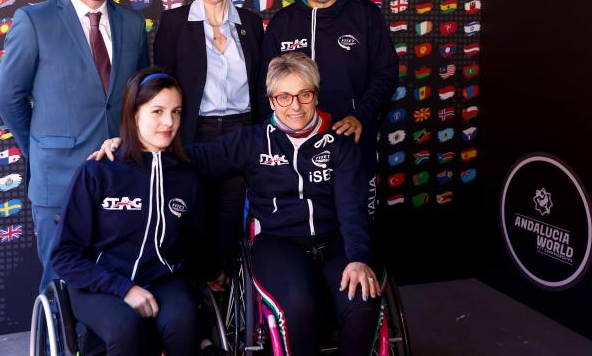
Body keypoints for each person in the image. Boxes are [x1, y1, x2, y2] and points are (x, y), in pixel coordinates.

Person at [93, 53, 381, 355]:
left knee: (361, 304)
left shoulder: (340, 144)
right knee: (299, 307)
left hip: (336, 241)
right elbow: (190, 160)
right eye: (283, 97)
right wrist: (130, 147)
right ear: (270, 101)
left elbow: (353, 210)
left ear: (316, 96)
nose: (294, 106)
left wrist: (358, 257)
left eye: (304, 95)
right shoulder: (252, 141)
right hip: (279, 242)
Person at [0, 0, 149, 293]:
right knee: (60, 284)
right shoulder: (34, 21)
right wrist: (41, 148)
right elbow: (8, 98)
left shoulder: (132, 24)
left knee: (116, 283)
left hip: (119, 179)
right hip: (58, 180)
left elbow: (137, 98)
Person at [52, 70, 206, 356]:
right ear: (134, 114)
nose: (169, 122)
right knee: (127, 328)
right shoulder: (98, 171)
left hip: (163, 278)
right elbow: (64, 257)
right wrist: (123, 288)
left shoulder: (186, 176)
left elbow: (195, 244)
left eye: (176, 111)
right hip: (99, 283)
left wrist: (214, 272)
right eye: (157, 111)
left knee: (183, 324)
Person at [260, 0, 398, 218]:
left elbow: (386, 74)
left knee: (357, 233)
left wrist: (360, 115)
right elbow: (266, 91)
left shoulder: (366, 14)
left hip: (354, 150)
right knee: (307, 231)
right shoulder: (281, 23)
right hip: (297, 156)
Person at [154, 0, 264, 269]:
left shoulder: (251, 23)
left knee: (230, 222)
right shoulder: (174, 24)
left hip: (241, 135)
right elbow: (162, 86)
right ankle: (199, 291)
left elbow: (261, 86)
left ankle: (224, 286)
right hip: (193, 136)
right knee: (193, 218)